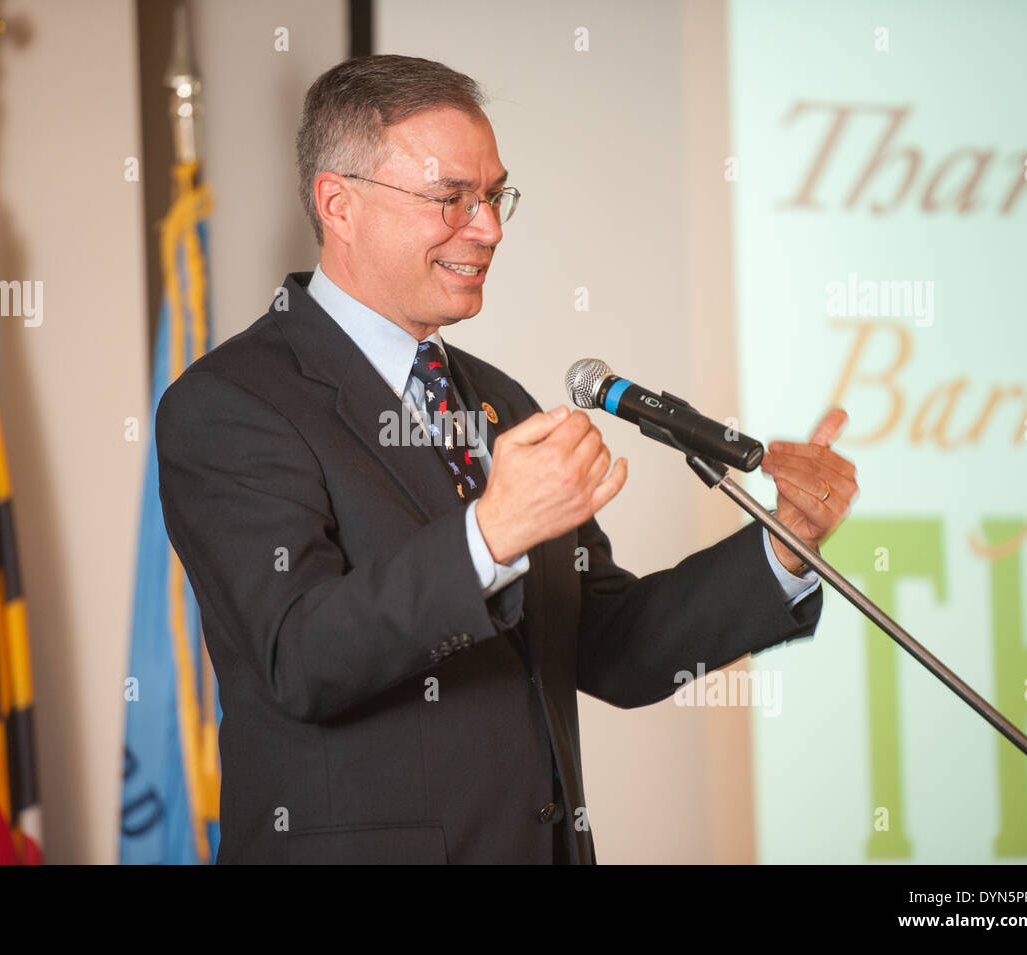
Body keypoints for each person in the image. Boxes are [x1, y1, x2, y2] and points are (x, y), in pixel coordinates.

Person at [155, 54, 858, 864]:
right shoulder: (233, 404)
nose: (487, 227)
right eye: (451, 198)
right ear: (337, 204)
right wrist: (487, 536)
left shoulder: (498, 401)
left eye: (494, 197)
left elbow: (611, 645)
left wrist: (782, 547)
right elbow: (300, 655)